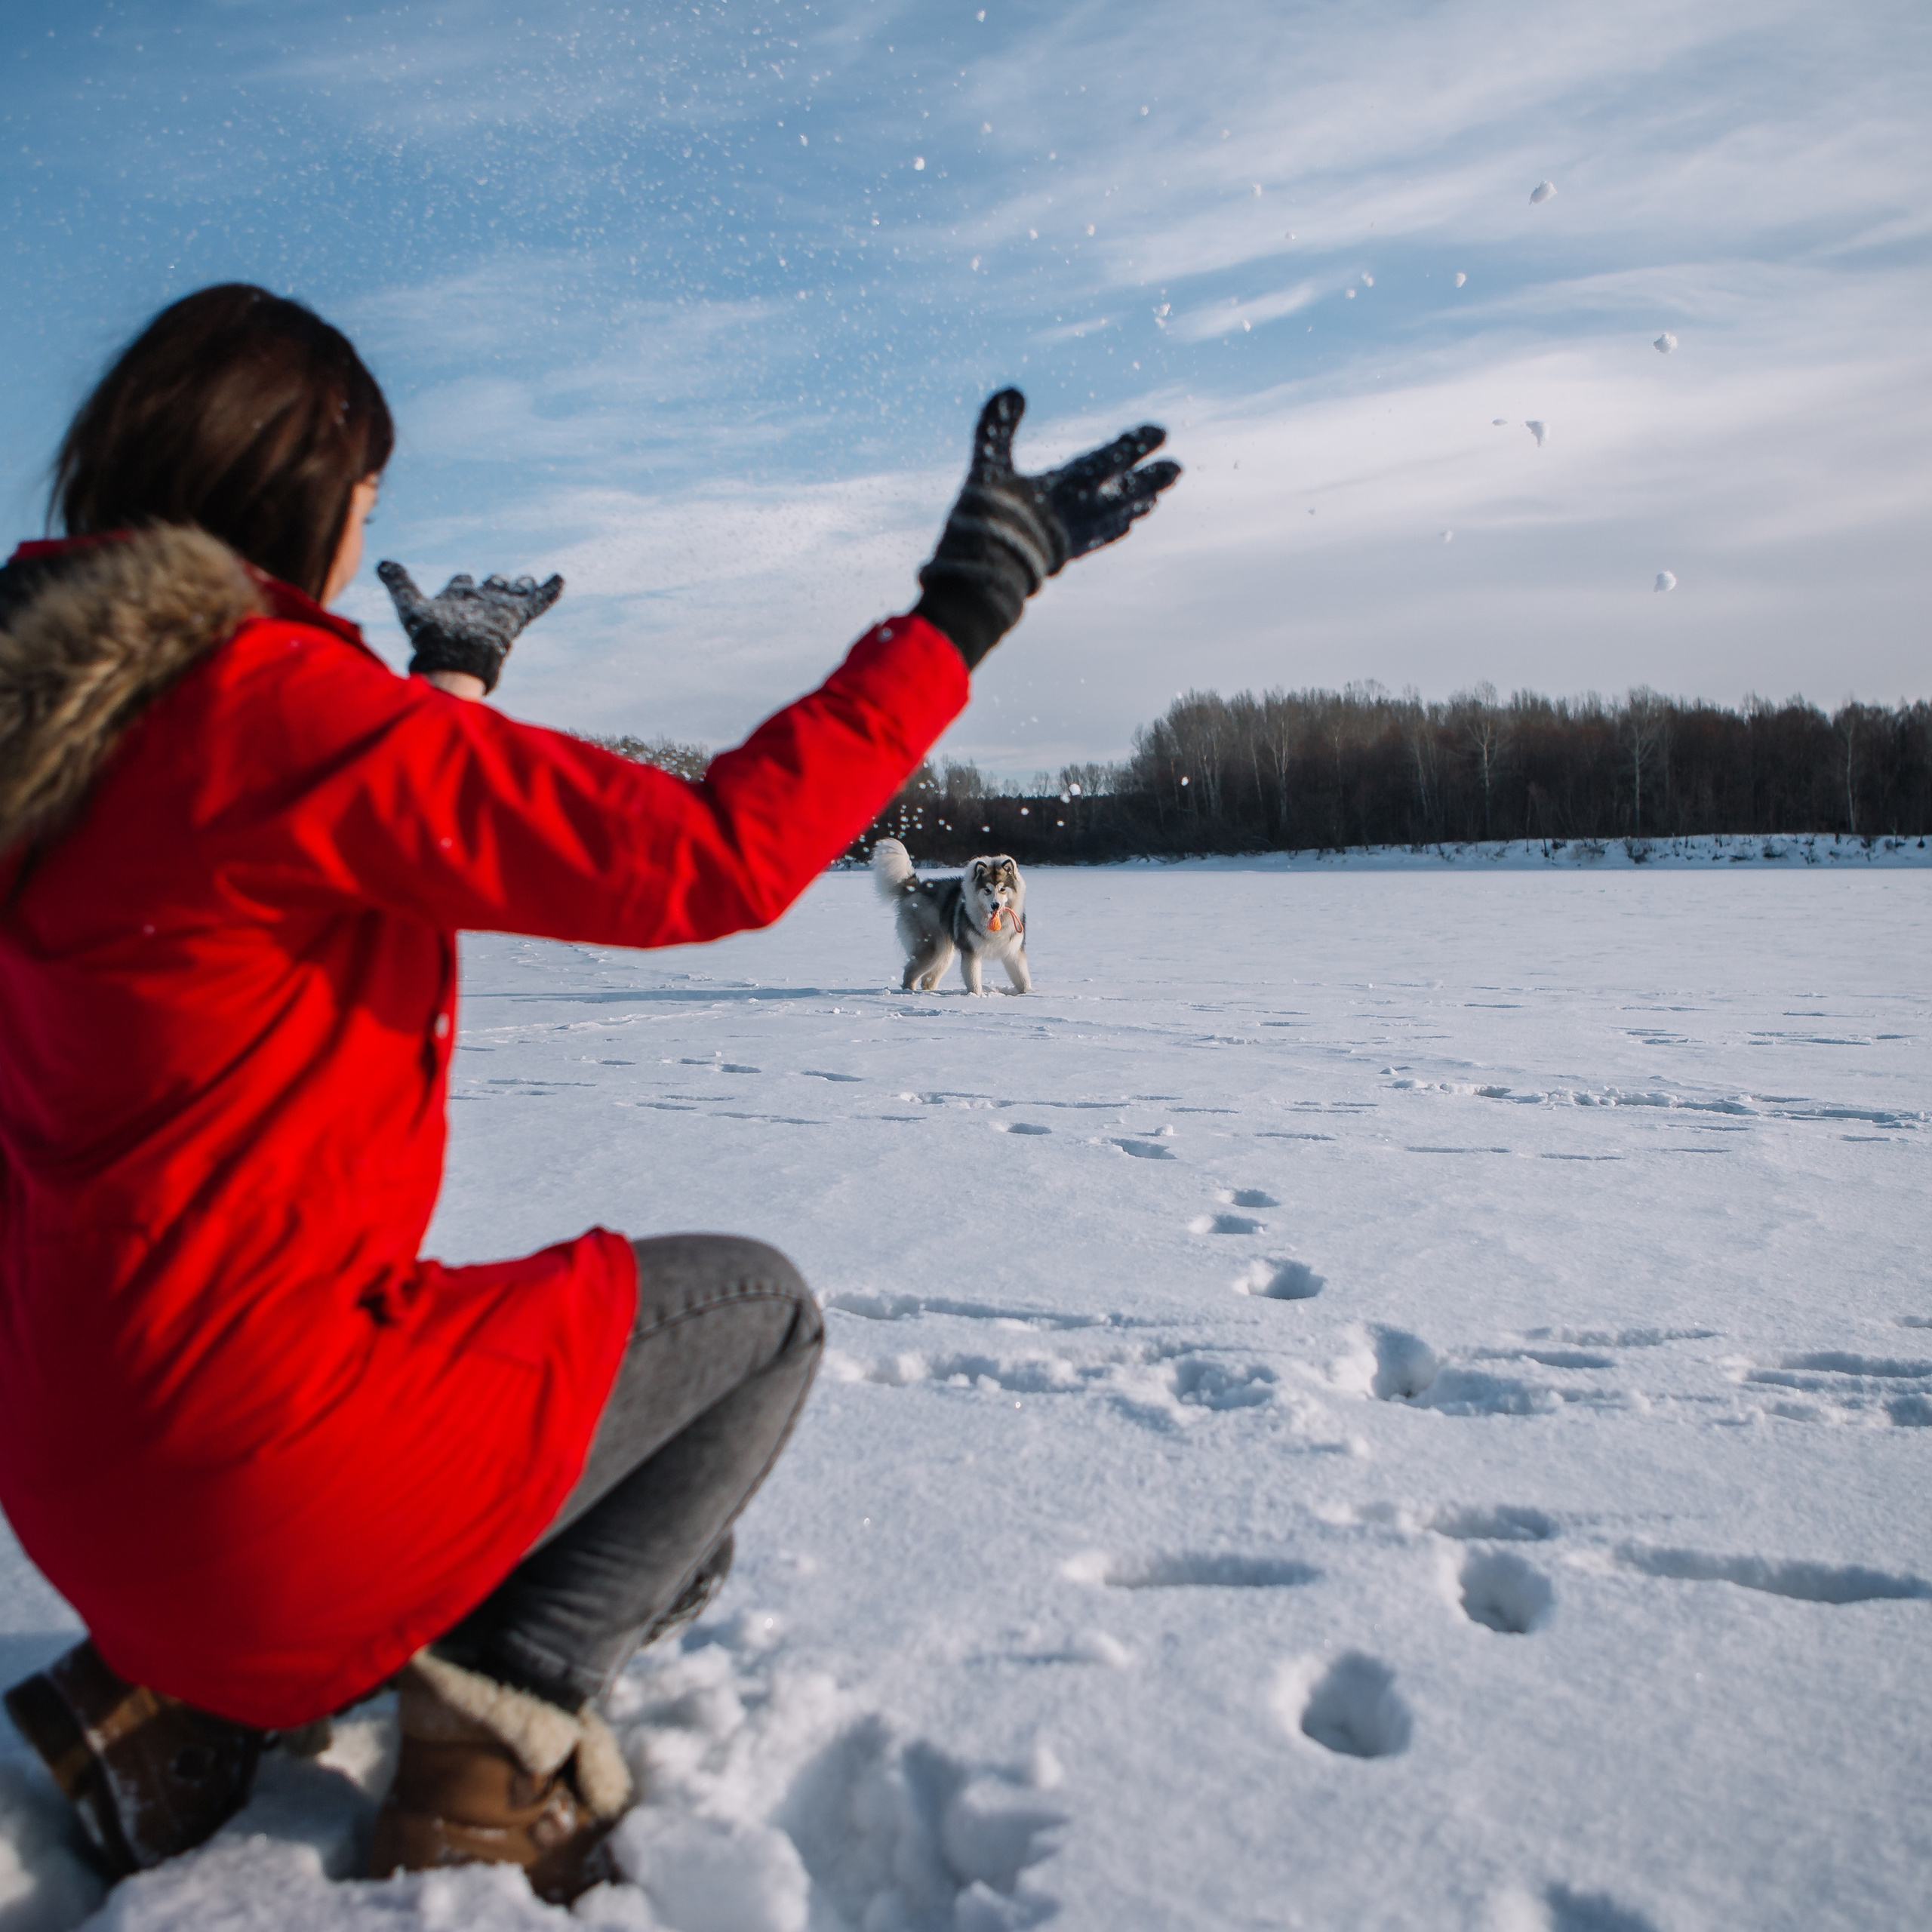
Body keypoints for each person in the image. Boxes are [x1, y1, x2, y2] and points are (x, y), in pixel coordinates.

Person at [0, 283, 1179, 1900]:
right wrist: (961, 609)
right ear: (296, 493)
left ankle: (159, 1709)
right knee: (754, 1320)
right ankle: (492, 1730)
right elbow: (715, 854)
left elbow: (303, 844)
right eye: (363, 499)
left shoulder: (55, 735)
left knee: (403, 1346)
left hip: (68, 1473)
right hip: (248, 1493)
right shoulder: (261, 708)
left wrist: (442, 688)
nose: (363, 530)